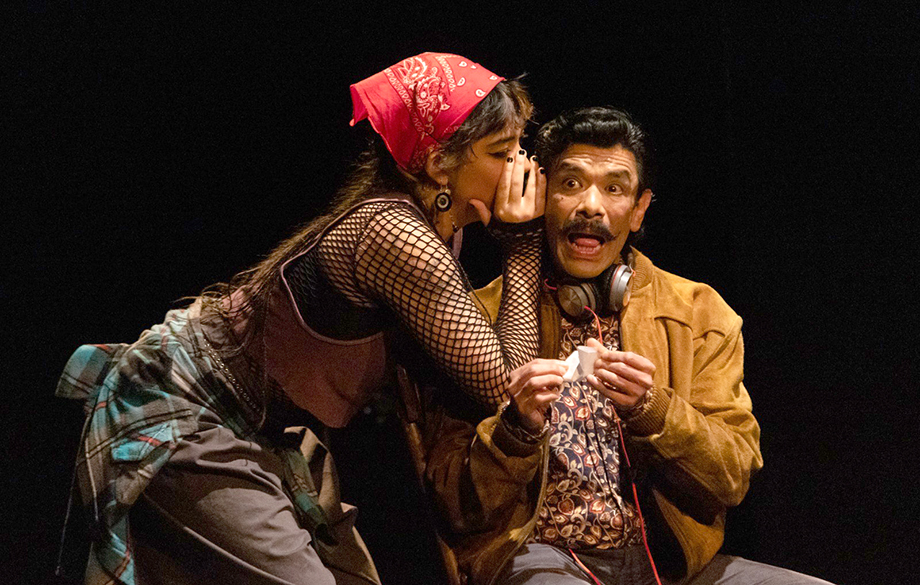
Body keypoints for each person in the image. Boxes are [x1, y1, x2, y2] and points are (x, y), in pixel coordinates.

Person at [55, 52, 547, 585]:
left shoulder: (432, 226)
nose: (520, 168)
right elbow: (505, 384)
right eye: (501, 152)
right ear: (436, 162)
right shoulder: (395, 233)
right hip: (196, 413)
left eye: (519, 148)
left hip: (265, 431)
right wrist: (522, 243)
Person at [424, 106, 833, 584]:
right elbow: (453, 503)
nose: (590, 206)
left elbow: (733, 475)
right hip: (540, 557)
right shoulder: (476, 319)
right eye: (571, 183)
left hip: (670, 567)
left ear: (639, 210)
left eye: (614, 189)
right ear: (542, 195)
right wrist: (515, 429)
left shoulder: (697, 311)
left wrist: (655, 411)